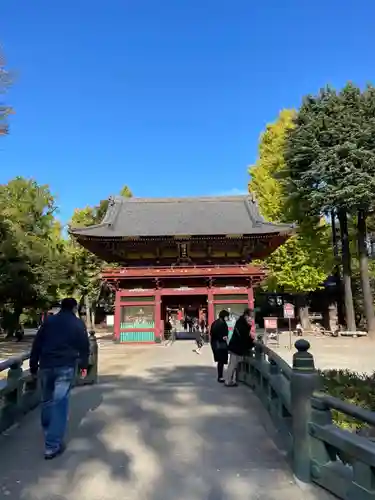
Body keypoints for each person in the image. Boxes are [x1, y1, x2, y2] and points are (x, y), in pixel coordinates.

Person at [29, 297, 90, 460]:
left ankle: (48, 430)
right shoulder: (77, 324)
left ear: (61, 307)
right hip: (65, 366)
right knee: (60, 404)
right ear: (74, 308)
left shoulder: (49, 322)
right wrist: (84, 366)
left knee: (47, 400)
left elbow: (37, 344)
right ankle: (52, 445)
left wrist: (33, 365)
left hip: (46, 365)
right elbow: (84, 347)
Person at [225, 308, 255, 387]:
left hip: (235, 346)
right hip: (236, 347)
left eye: (252, 317)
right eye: (250, 316)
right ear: (246, 316)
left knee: (233, 364)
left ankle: (232, 380)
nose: (251, 318)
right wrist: (252, 342)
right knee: (232, 364)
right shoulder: (242, 325)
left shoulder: (242, 323)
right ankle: (228, 381)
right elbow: (244, 337)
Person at [210, 309, 230, 383]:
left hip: (216, 343)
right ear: (224, 316)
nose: (228, 318)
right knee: (221, 360)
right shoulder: (220, 323)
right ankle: (220, 376)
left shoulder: (216, 322)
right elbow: (216, 333)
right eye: (227, 316)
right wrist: (222, 337)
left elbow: (212, 333)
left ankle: (220, 376)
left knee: (220, 361)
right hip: (219, 344)